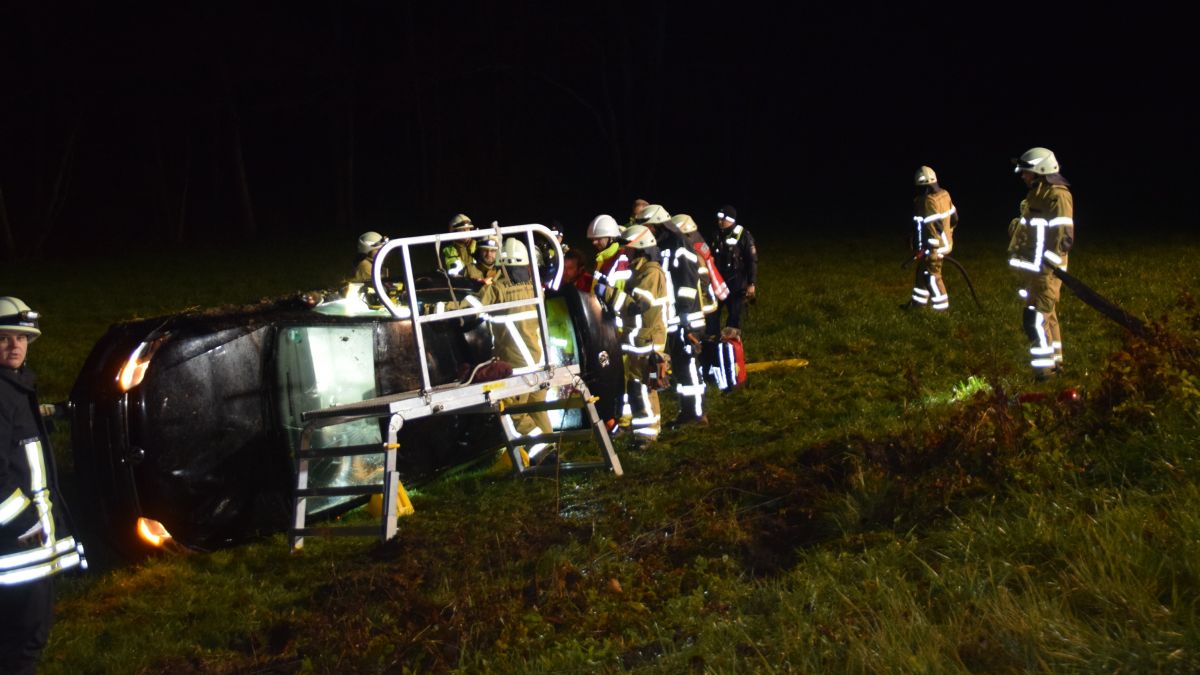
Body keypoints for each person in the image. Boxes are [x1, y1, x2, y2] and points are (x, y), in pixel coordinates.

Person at [1, 297, 86, 674]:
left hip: (24, 549)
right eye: (4, 338)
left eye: (21, 337)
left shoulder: (16, 388)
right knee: (24, 644)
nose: (14, 346)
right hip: (19, 550)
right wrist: (26, 522)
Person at [426, 240, 553, 457]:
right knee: (537, 408)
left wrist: (429, 308)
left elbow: (467, 309)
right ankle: (553, 447)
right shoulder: (535, 288)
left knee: (511, 408)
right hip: (541, 361)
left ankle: (541, 452)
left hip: (516, 366)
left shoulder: (498, 290)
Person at [637, 206, 707, 427]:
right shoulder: (661, 244)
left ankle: (697, 414)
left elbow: (687, 277)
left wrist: (685, 310)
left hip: (687, 318)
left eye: (647, 226)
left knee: (687, 366)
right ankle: (687, 410)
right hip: (674, 318)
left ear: (657, 224)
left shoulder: (679, 243)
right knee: (679, 366)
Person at [1008, 147, 1075, 380]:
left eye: (1027, 172)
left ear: (1041, 171)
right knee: (1048, 318)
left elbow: (1063, 237)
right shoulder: (1037, 193)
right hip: (1034, 271)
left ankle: (1044, 372)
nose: (1023, 176)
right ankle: (1056, 367)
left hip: (1046, 272)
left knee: (1034, 319)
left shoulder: (1058, 195)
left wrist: (1050, 267)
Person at [609, 225, 669, 445]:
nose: (625, 252)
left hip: (648, 340)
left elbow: (638, 306)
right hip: (639, 338)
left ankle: (648, 433)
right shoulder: (641, 270)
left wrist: (609, 294)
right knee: (637, 386)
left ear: (640, 249)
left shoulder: (651, 273)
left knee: (643, 386)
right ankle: (643, 430)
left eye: (628, 249)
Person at [907, 166, 958, 311]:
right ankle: (917, 305)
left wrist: (932, 250)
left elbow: (932, 229)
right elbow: (954, 219)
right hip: (941, 244)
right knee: (922, 273)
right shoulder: (944, 195)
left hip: (933, 248)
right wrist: (948, 235)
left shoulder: (927, 201)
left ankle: (941, 310)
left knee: (932, 276)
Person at [706, 205, 757, 335]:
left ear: (731, 219)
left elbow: (752, 260)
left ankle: (732, 346)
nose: (720, 222)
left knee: (735, 317)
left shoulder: (744, 235)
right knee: (712, 314)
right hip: (718, 281)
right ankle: (712, 342)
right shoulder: (715, 234)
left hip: (737, 282)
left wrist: (751, 283)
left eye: (723, 219)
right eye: (719, 219)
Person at [441, 213, 480, 278]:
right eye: (462, 229)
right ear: (454, 231)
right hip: (459, 285)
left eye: (468, 229)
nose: (466, 232)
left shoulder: (479, 246)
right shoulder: (448, 251)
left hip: (481, 283)